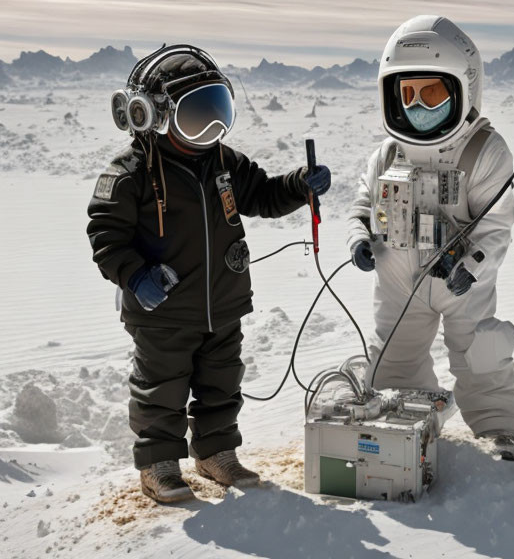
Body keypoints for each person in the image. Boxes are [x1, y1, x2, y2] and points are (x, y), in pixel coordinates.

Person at [87, 45, 331, 502]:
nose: (211, 129)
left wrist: (299, 185)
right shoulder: (132, 173)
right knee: (161, 387)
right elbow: (106, 236)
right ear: (155, 115)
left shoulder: (225, 162)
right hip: (162, 311)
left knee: (222, 382)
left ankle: (216, 454)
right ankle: (159, 464)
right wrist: (135, 275)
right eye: (197, 116)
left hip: (222, 302)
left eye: (218, 112)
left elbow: (263, 195)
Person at [346, 16, 514, 461]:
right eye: (407, 93)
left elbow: (495, 227)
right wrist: (359, 240)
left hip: (459, 283)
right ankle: (409, 426)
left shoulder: (484, 151)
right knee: (392, 365)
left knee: (480, 355)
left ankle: (501, 430)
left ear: (462, 90)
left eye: (430, 93)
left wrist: (472, 267)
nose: (417, 105)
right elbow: (363, 206)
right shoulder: (387, 155)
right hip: (397, 279)